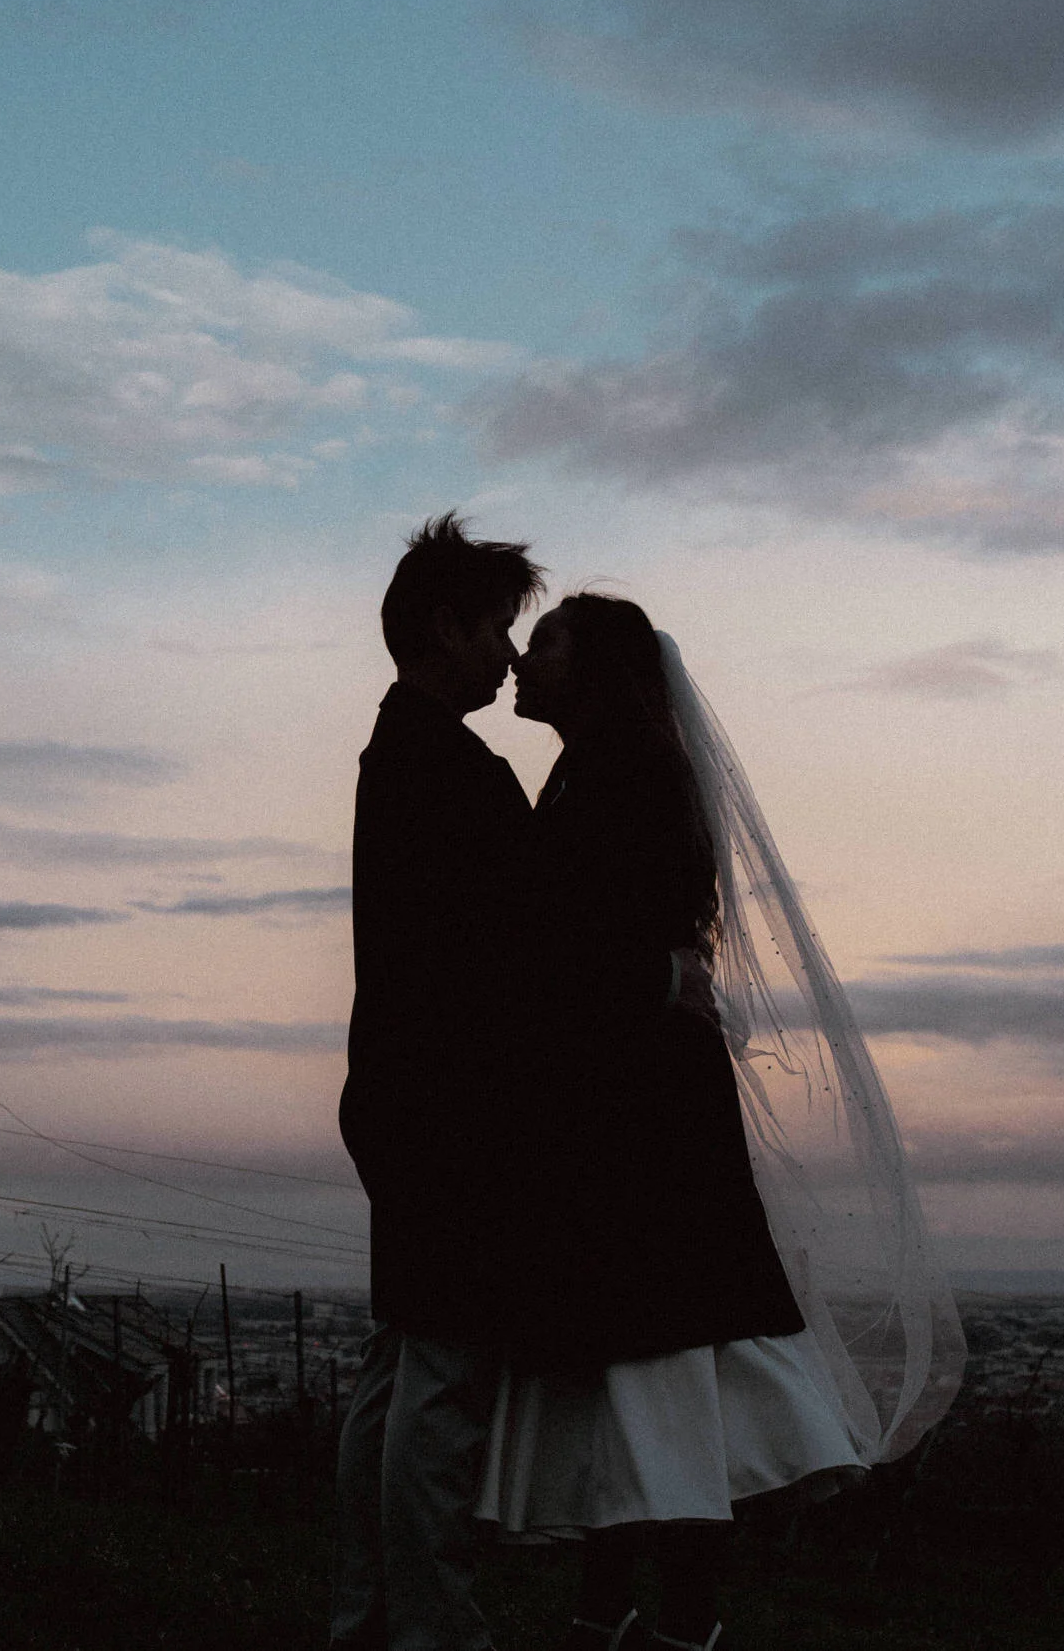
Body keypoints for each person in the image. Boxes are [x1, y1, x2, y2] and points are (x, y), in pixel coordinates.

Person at [485, 593, 877, 1651]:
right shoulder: (589, 768)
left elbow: (580, 936)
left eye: (548, 640)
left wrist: (638, 976)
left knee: (663, 1362)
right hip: (622, 1099)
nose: (524, 656)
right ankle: (613, 1607)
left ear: (600, 666)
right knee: (633, 1362)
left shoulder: (628, 774)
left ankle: (673, 1618)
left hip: (643, 1115)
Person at [331, 513, 546, 1651]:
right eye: (498, 630)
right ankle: (432, 1629)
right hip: (452, 1109)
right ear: (445, 625)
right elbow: (515, 947)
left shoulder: (399, 753)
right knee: (442, 1379)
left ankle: (371, 1614)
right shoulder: (446, 768)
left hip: (405, 1099)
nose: (509, 657)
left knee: (403, 1361)